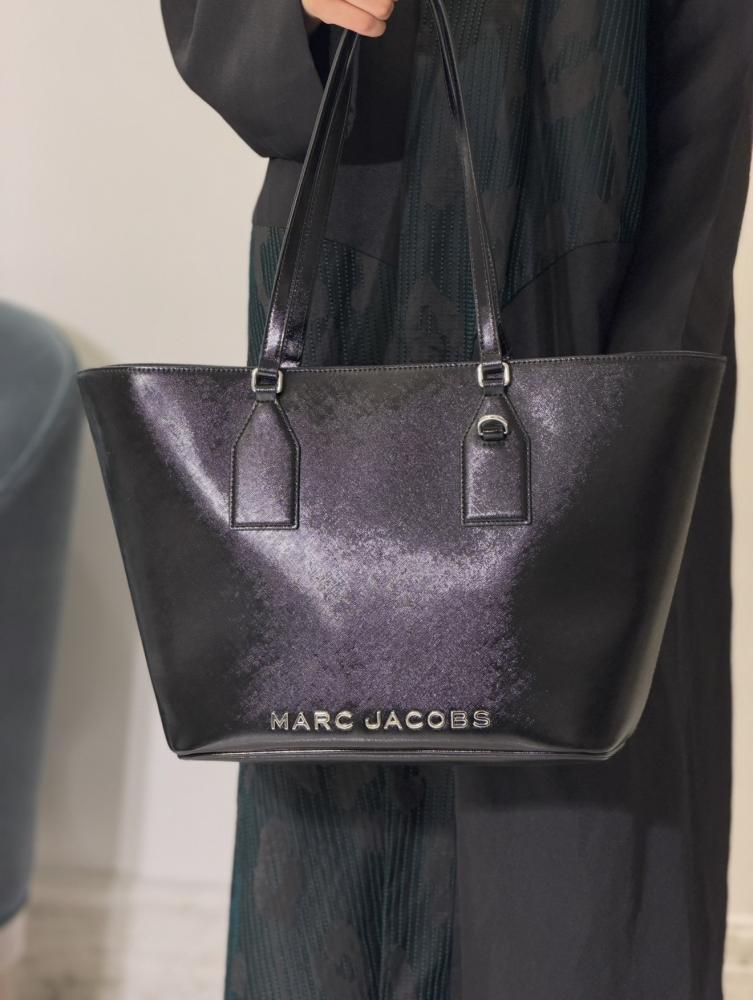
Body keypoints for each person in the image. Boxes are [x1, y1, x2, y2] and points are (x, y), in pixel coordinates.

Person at [160, 1, 753, 997]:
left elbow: (715, 57)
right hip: (360, 290)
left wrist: (648, 384)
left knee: (582, 843)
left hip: (606, 285)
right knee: (341, 833)